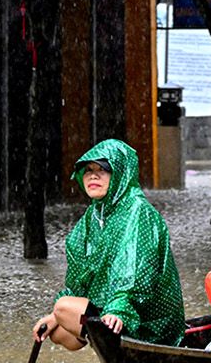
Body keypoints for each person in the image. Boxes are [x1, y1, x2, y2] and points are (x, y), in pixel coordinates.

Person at [32, 139, 185, 350]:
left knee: (64, 307)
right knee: (58, 333)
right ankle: (105, 336)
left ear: (120, 174)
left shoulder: (138, 211)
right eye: (88, 170)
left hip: (148, 319)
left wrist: (119, 310)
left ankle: (112, 336)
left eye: (102, 169)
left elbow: (137, 272)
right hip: (110, 310)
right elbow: (80, 278)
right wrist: (53, 317)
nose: (93, 176)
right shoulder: (92, 217)